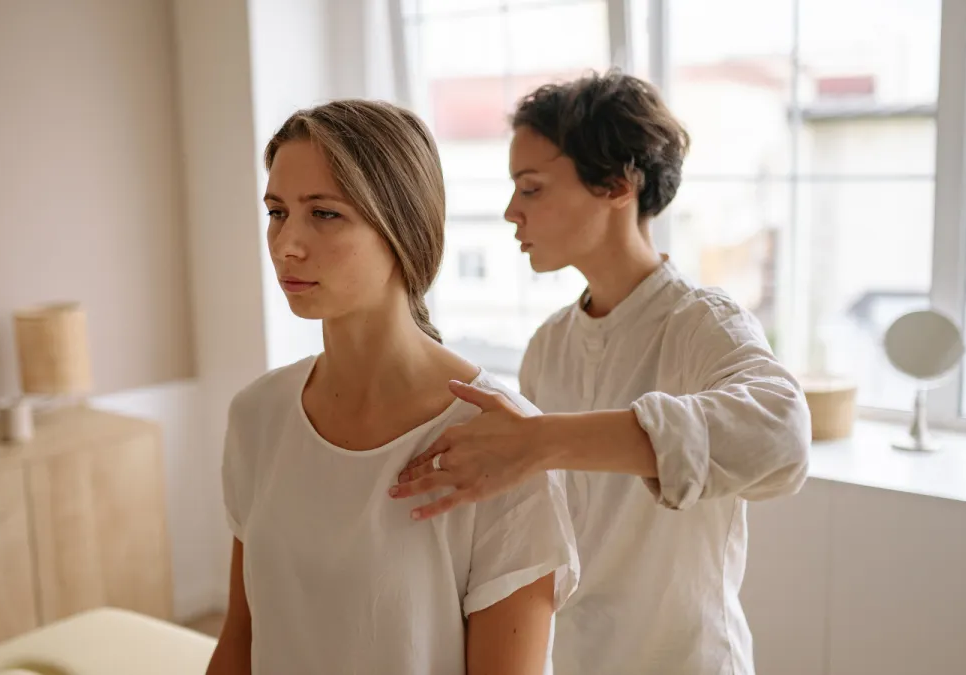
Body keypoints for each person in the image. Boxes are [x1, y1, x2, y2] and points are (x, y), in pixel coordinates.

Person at [392, 71, 812, 674]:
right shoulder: (549, 346)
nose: (511, 212)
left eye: (531, 188)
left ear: (618, 183)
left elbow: (783, 436)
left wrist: (542, 441)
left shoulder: (703, 324)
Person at [207, 100, 579, 675]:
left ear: (402, 225)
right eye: (277, 212)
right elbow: (241, 637)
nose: (286, 244)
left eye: (324, 214)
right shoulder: (257, 415)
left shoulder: (499, 444)